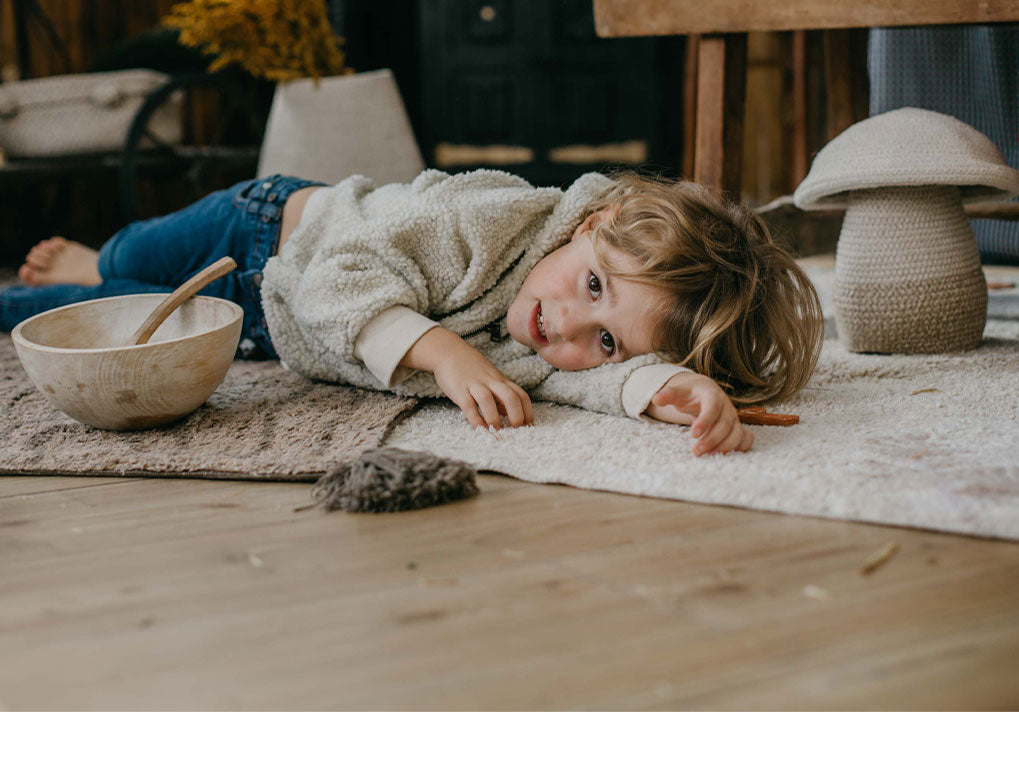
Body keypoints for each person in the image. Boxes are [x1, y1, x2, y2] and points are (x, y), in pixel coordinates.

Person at [1, 168, 823, 456]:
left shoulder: (558, 343)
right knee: (123, 267)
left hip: (261, 326)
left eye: (607, 341)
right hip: (266, 234)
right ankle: (95, 255)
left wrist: (660, 389)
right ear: (590, 224)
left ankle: (91, 271)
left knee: (114, 322)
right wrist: (445, 353)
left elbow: (576, 381)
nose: (565, 326)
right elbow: (339, 278)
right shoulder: (490, 221)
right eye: (594, 286)